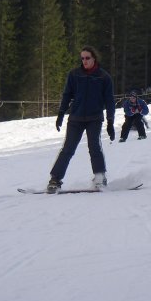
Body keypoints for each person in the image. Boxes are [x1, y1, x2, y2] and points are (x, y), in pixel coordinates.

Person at [47, 46, 116, 193]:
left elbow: (109, 101)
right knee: (68, 148)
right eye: (82, 58)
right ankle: (55, 179)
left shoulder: (103, 77)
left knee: (94, 146)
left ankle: (99, 177)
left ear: (94, 59)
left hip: (94, 118)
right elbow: (67, 95)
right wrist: (60, 114)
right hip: (76, 118)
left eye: (87, 58)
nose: (84, 61)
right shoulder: (74, 75)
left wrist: (110, 122)